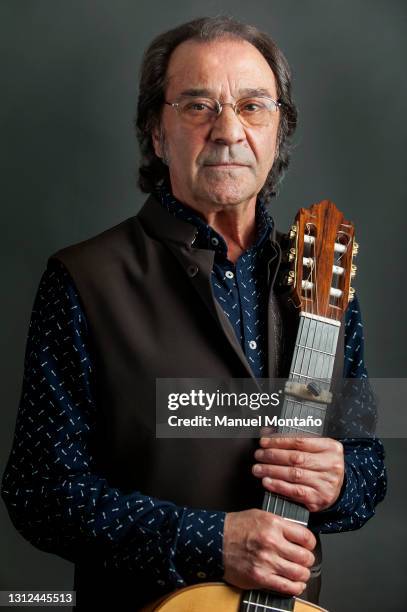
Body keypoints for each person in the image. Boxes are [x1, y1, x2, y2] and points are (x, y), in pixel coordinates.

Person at [2, 16, 386, 611]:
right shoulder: (84, 280)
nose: (229, 130)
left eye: (254, 107)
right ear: (157, 131)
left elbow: (368, 462)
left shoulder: (324, 283)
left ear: (279, 129)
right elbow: (42, 492)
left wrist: (340, 483)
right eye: (199, 106)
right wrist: (211, 541)